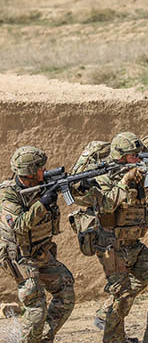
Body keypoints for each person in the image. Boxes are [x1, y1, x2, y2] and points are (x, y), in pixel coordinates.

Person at [74, 132, 148, 343]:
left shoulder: (139, 174)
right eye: (133, 156)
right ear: (119, 156)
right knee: (123, 296)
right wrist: (125, 181)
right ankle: (113, 340)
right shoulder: (102, 177)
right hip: (111, 246)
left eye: (139, 154)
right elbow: (107, 204)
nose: (138, 159)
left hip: (134, 245)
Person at [0, 146, 75, 343]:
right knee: (35, 306)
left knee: (66, 292)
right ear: (29, 172)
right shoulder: (8, 194)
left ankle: (43, 339)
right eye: (40, 168)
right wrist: (42, 203)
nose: (45, 170)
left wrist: (82, 186)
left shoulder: (43, 184)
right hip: (20, 256)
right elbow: (18, 225)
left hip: (41, 253)